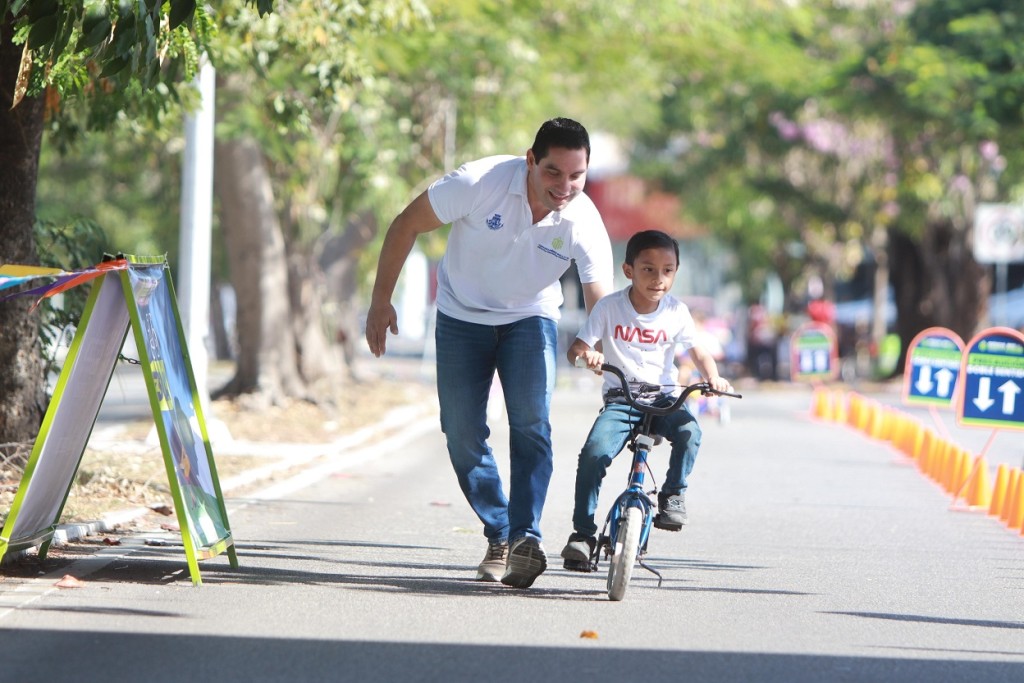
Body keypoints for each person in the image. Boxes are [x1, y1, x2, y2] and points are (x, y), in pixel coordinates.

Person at [364, 118, 613, 588]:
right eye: (553, 172)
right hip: (462, 318)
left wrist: (617, 363)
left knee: (531, 423)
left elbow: (602, 300)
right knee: (460, 431)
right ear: (530, 161)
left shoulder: (584, 219)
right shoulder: (478, 182)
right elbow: (405, 225)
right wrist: (380, 301)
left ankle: (525, 539)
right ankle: (499, 530)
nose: (565, 186)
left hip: (530, 320)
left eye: (576, 175)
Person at [560, 229, 732, 571]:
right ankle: (582, 533)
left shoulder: (676, 312)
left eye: (667, 270)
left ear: (676, 272)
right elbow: (575, 350)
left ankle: (672, 495)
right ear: (629, 270)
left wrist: (712, 377)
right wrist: (587, 357)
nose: (658, 278)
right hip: (621, 399)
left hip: (664, 398)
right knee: (593, 453)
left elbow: (699, 352)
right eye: (648, 269)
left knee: (689, 432)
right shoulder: (610, 308)